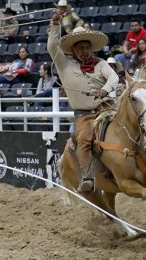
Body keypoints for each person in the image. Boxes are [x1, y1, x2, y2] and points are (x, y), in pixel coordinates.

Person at [47, 19, 118, 192]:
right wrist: (56, 24)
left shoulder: (100, 63)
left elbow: (114, 77)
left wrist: (104, 90)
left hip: (108, 108)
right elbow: (52, 46)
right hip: (84, 115)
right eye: (81, 48)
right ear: (74, 50)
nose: (85, 51)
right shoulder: (64, 65)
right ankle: (87, 177)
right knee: (85, 139)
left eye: (87, 47)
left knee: (135, 122)